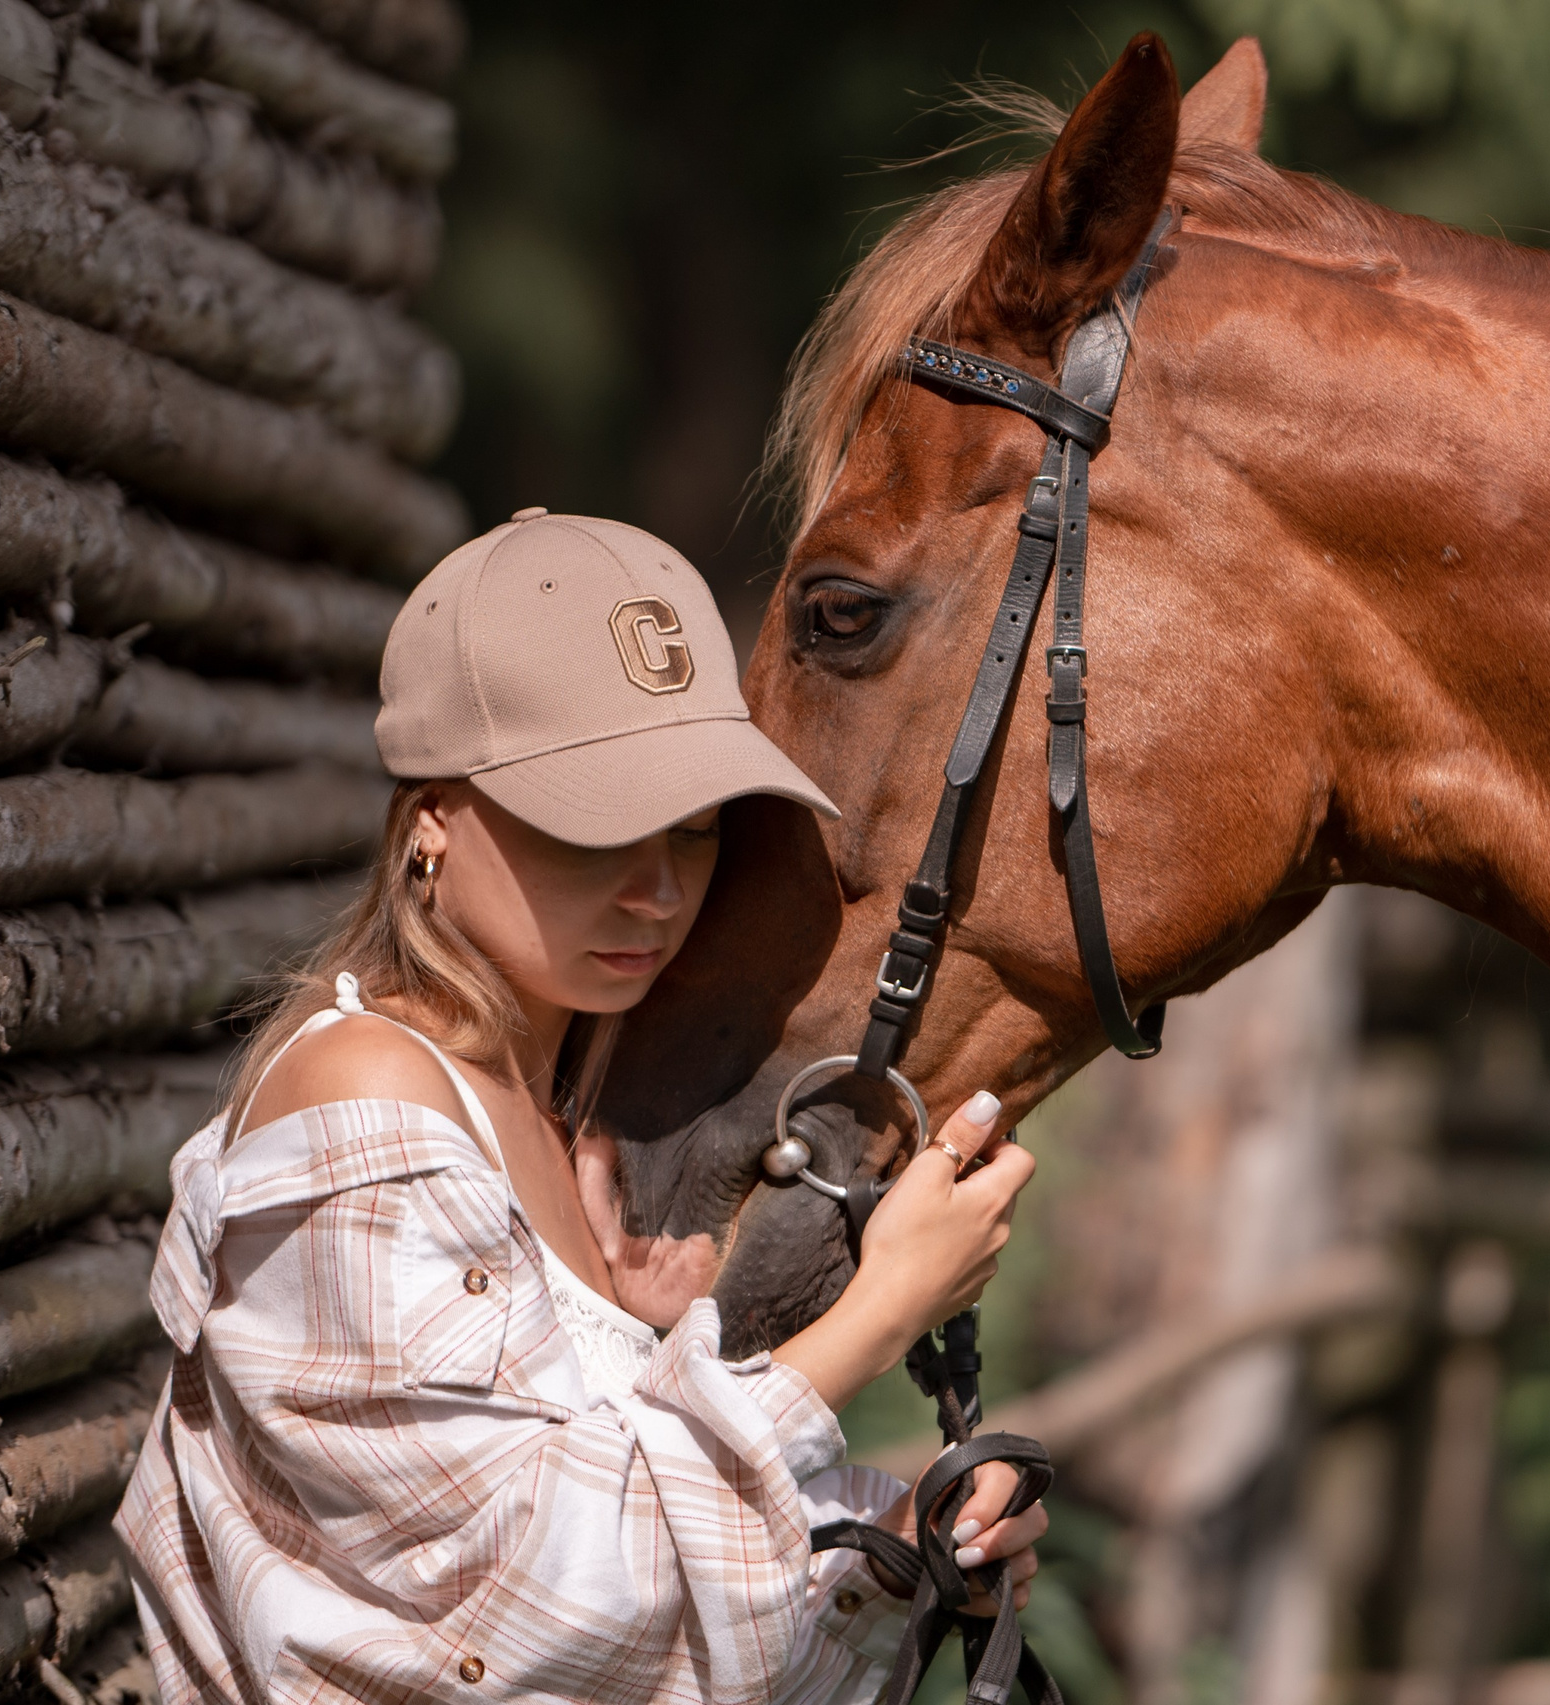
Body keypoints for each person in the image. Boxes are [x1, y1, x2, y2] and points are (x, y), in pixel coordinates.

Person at [114, 511, 1044, 1704]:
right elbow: (517, 1604)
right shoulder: (365, 1100)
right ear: (432, 820)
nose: (657, 891)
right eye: (594, 826)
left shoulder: (563, 1122)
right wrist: (880, 1312)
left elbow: (617, 1606)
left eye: (695, 831)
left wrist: (898, 1553)